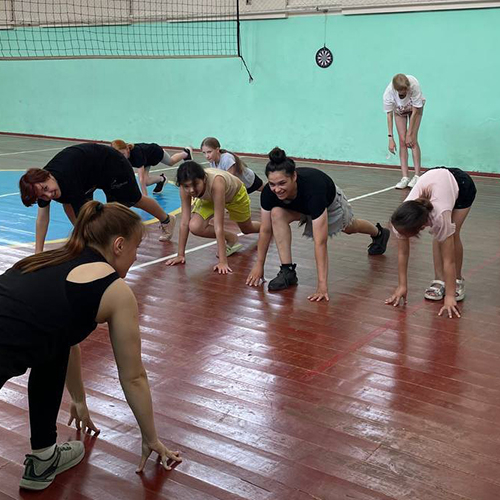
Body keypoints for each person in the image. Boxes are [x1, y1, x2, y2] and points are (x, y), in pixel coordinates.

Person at [0, 201, 182, 491]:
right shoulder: (114, 290)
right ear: (119, 245)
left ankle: (44, 456)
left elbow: (63, 341)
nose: (136, 257)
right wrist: (151, 438)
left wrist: (79, 400)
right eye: (136, 248)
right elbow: (134, 376)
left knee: (52, 350)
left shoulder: (47, 261)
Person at [246, 147, 390, 301]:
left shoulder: (314, 189)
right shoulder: (269, 193)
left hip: (329, 204)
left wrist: (322, 286)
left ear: (294, 176)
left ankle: (379, 233)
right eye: (272, 184)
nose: (277, 189)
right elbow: (266, 230)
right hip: (299, 206)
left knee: (350, 227)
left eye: (282, 183)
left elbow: (320, 242)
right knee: (276, 213)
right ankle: (287, 271)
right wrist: (259, 264)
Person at [19, 143, 176, 252]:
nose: (48, 195)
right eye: (42, 195)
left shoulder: (67, 178)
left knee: (132, 201)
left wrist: (90, 241)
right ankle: (88, 241)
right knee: (71, 205)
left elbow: (84, 214)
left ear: (48, 175)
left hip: (112, 164)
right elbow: (43, 218)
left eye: (46, 189)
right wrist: (38, 252)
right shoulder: (40, 187)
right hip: (89, 174)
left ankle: (167, 219)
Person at [386, 167, 476, 318]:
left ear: (421, 227)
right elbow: (402, 253)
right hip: (436, 181)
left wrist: (450, 297)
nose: (400, 235)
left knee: (450, 235)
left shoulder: (439, 216)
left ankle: (457, 280)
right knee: (439, 235)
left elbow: (449, 260)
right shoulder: (400, 219)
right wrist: (402, 285)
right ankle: (439, 280)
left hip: (461, 185)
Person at [165, 161, 260, 274]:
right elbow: (184, 222)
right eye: (187, 186)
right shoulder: (184, 187)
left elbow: (218, 225)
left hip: (235, 196)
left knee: (247, 229)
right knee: (195, 226)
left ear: (204, 179)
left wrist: (222, 262)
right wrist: (180, 255)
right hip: (209, 199)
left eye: (195, 184)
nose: (191, 190)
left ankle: (267, 228)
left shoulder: (217, 183)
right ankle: (231, 238)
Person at [383, 74, 425, 189]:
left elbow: (415, 111)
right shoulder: (388, 93)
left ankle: (417, 176)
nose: (405, 92)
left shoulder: (414, 85)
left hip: (414, 109)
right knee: (402, 141)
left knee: (412, 140)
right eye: (402, 91)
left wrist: (410, 133)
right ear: (396, 90)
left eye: (406, 90)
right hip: (399, 110)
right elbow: (389, 115)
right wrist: (390, 138)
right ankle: (405, 177)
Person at [111, 140, 193, 196]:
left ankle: (186, 153)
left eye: (123, 154)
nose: (121, 157)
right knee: (146, 182)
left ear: (127, 149)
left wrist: (145, 197)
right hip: (146, 159)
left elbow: (141, 178)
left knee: (171, 162)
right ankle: (162, 179)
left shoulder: (136, 153)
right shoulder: (119, 157)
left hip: (155, 152)